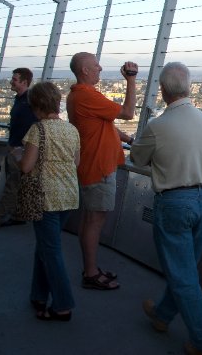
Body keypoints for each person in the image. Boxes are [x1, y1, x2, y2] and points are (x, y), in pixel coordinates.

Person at [131, 62, 202, 355]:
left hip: (175, 203)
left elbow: (138, 161)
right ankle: (161, 316)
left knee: (183, 275)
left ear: (163, 91)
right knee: (186, 270)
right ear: (189, 87)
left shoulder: (158, 126)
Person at [67, 52, 137, 290]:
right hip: (99, 168)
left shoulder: (79, 95)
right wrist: (131, 80)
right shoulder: (86, 95)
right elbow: (128, 112)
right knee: (94, 221)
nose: (100, 68)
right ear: (84, 71)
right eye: (95, 65)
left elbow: (102, 123)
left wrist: (127, 138)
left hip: (93, 166)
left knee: (89, 220)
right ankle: (90, 273)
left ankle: (91, 268)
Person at [19, 81, 80, 321]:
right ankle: (38, 294)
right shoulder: (71, 130)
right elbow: (75, 163)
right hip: (69, 195)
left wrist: (16, 156)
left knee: (51, 250)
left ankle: (63, 304)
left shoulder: (38, 130)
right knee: (44, 247)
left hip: (45, 197)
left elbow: (26, 166)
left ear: (36, 105)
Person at [0, 67, 38, 231]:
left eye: (15, 79)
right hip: (15, 147)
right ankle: (18, 216)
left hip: (20, 149)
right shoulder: (20, 99)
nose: (11, 81)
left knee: (12, 186)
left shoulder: (30, 101)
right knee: (15, 184)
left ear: (24, 82)